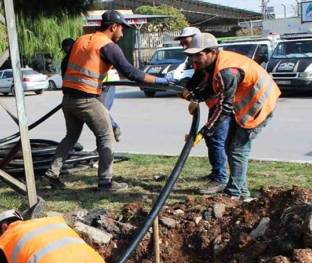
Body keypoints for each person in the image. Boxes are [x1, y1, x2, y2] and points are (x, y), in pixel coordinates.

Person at [45, 10, 171, 192]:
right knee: (106, 137)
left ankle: (52, 173)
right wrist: (159, 80)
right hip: (86, 100)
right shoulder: (107, 46)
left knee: (71, 137)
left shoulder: (81, 40)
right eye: (122, 29)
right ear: (114, 27)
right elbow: (131, 73)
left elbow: (67, 67)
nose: (123, 33)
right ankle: (106, 182)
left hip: (68, 99)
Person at [181, 32, 280, 200]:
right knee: (230, 145)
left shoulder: (227, 71)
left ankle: (234, 193)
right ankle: (242, 194)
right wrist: (196, 96)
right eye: (193, 55)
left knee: (237, 148)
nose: (195, 60)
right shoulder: (215, 64)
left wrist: (204, 131)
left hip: (259, 106)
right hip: (245, 106)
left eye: (199, 55)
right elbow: (214, 89)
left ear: (212, 52)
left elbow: (224, 107)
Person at [176, 28, 228, 188]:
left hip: (224, 105)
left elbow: (216, 89)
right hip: (215, 103)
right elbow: (198, 76)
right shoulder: (199, 57)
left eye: (185, 41)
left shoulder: (215, 62)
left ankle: (220, 178)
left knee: (216, 139)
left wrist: (196, 97)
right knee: (213, 140)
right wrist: (190, 91)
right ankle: (216, 172)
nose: (183, 45)